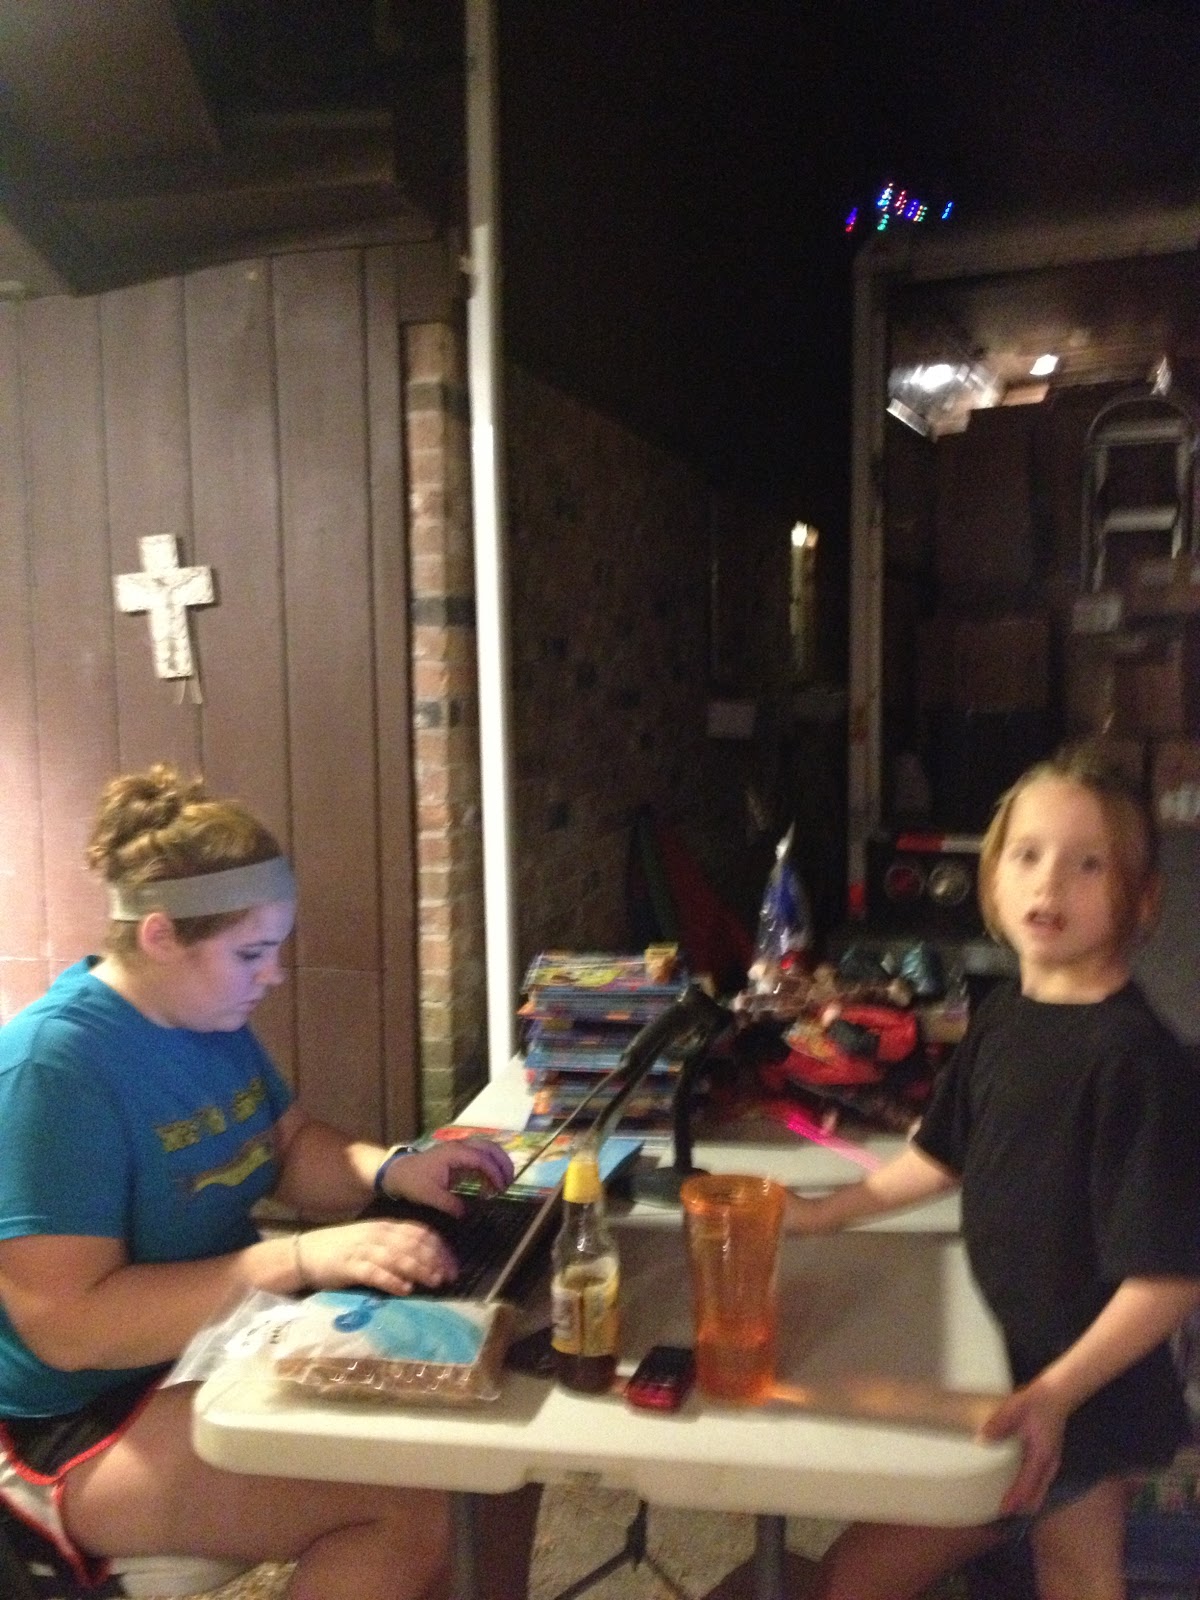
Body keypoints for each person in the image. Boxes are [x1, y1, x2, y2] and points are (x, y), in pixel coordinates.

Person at [0, 765, 539, 1600]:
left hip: (209, 1349)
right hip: (72, 1424)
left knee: (500, 1450)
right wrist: (293, 1261)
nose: (273, 974)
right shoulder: (53, 1069)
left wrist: (393, 1168)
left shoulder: (203, 1013)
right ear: (159, 937)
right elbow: (70, 1330)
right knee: (418, 1509)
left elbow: (288, 1147)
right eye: (251, 952)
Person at [783, 745, 1200, 1600]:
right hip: (1008, 1366)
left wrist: (1057, 1393)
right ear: (993, 881)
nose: (1051, 882)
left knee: (859, 1579)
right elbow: (941, 1158)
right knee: (1070, 1574)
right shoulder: (1006, 1016)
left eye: (1089, 864)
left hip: (1076, 1389)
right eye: (1028, 855)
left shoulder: (1139, 1062)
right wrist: (818, 1213)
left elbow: (1167, 1277)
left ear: (1142, 899)